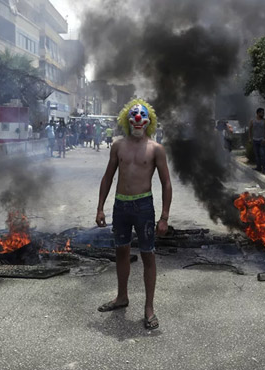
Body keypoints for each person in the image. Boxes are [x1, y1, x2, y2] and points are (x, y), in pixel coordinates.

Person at [95, 98, 172, 330]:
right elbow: (108, 177)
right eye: (134, 115)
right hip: (121, 206)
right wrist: (100, 207)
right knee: (121, 252)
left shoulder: (156, 149)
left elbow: (166, 183)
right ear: (126, 120)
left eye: (142, 116)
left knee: (148, 255)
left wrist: (165, 217)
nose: (138, 119)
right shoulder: (117, 146)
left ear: (149, 121)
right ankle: (122, 297)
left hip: (143, 207)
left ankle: (149, 309)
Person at [248, 108, 265, 173]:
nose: (263, 114)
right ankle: (258, 167)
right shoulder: (252, 121)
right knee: (257, 155)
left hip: (262, 140)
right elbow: (250, 129)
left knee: (263, 154)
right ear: (258, 113)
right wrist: (249, 138)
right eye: (262, 112)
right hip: (255, 140)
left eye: (263, 112)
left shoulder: (264, 121)